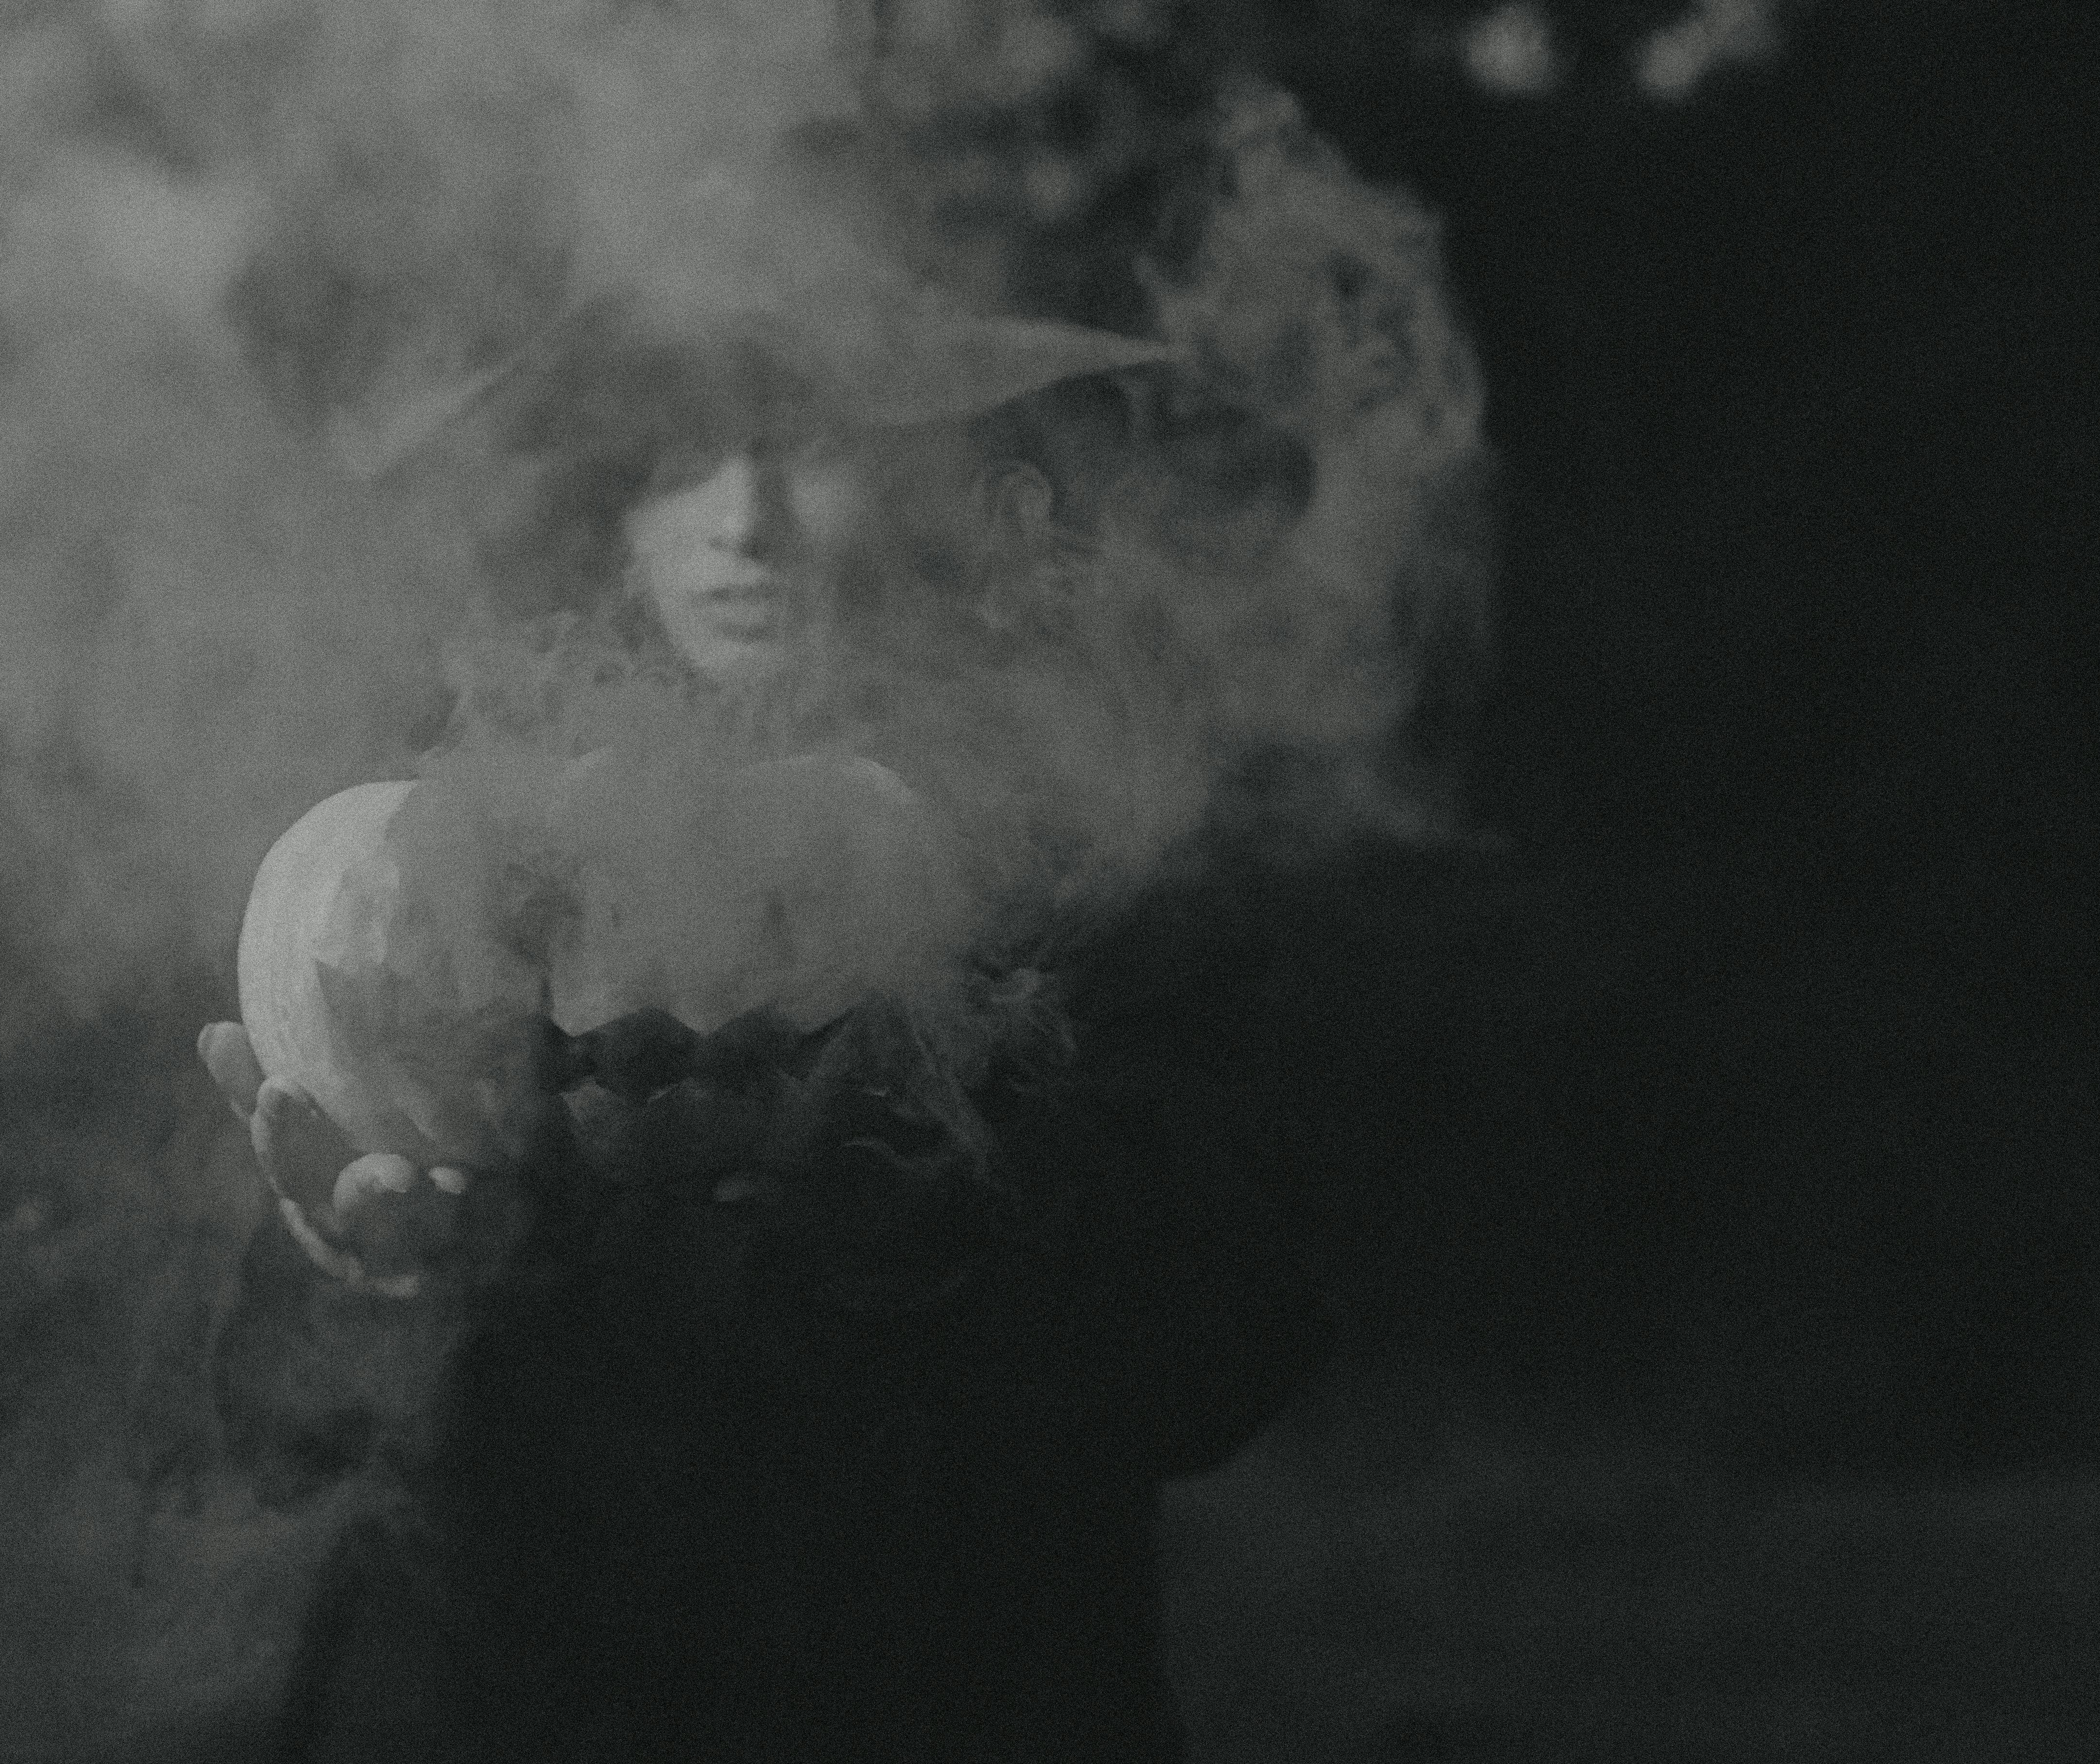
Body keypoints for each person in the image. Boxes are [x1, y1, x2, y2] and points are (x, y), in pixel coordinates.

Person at [195, 280, 1326, 1763]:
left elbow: (1223, 1345)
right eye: (681, 457)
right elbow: (270, 1428)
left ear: (941, 476)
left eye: (816, 443)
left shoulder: (1103, 841)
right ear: (615, 507)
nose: (747, 517)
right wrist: (367, 1285)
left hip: (949, 1700)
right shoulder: (466, 849)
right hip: (504, 1697)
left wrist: (935, 1231)